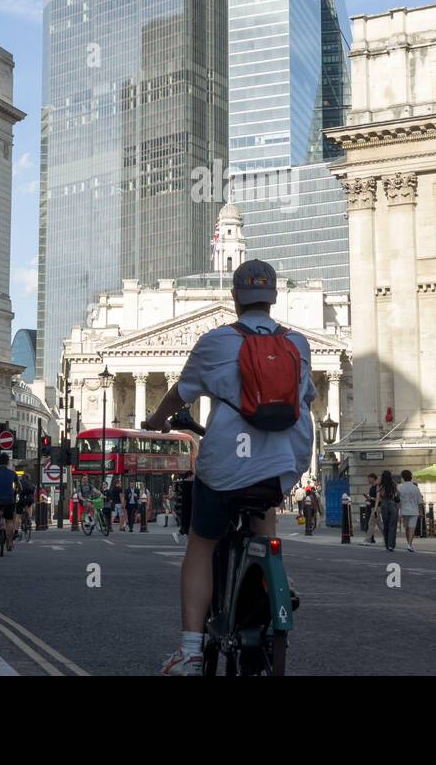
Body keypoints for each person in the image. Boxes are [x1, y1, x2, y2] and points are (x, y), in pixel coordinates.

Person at [142, 258, 316, 676]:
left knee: (201, 543)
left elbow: (178, 395)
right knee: (264, 507)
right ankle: (275, 577)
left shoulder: (216, 340)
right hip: (283, 461)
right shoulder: (300, 344)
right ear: (273, 299)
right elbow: (306, 399)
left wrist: (154, 422)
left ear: (235, 298)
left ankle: (190, 651)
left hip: (225, 463)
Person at [398, 469, 423, 553]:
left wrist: (399, 512)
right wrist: (421, 511)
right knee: (412, 528)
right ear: (411, 477)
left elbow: (398, 501)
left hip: (404, 510)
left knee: (407, 528)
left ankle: (409, 544)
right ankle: (409, 544)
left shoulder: (400, 488)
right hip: (414, 510)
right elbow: (420, 501)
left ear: (403, 477)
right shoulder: (415, 488)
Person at [379, 471, 400, 553]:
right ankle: (391, 545)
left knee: (386, 525)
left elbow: (379, 496)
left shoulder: (381, 485)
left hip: (384, 505)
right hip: (392, 505)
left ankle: (387, 544)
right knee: (392, 525)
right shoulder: (393, 484)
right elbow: (397, 494)